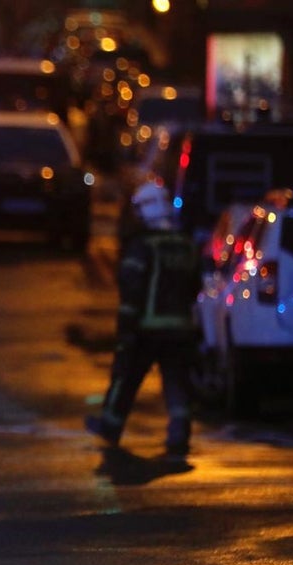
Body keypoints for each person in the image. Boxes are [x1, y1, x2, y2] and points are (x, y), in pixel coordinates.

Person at [85, 180, 201, 456]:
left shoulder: (141, 247)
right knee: (177, 382)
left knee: (126, 378)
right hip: (181, 329)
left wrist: (126, 331)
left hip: (146, 329)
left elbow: (131, 291)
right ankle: (179, 433)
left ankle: (110, 427)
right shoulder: (186, 245)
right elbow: (195, 285)